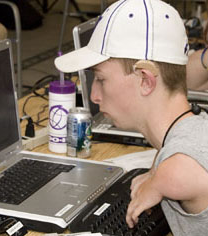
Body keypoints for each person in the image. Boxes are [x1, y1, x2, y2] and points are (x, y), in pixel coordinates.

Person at [54, 0, 208, 235]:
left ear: (145, 80)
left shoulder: (178, 166)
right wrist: (157, 172)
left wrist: (161, 180)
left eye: (101, 79)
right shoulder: (194, 127)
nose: (94, 96)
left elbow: (187, 170)